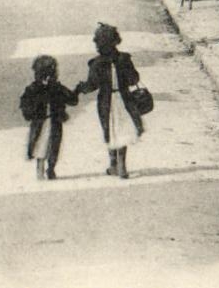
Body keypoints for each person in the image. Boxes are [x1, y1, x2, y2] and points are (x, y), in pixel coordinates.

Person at [75, 22, 143, 179]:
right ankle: (122, 166)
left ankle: (113, 164)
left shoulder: (96, 63)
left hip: (106, 101)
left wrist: (80, 89)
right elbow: (134, 79)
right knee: (123, 129)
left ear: (99, 43)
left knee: (109, 129)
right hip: (124, 99)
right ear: (115, 41)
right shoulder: (125, 59)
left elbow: (91, 85)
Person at [19, 54, 79, 180]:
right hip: (43, 122)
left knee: (53, 146)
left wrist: (76, 91)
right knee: (41, 146)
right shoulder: (37, 89)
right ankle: (43, 169)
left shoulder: (52, 87)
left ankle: (49, 168)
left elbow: (72, 100)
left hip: (52, 121)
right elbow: (25, 104)